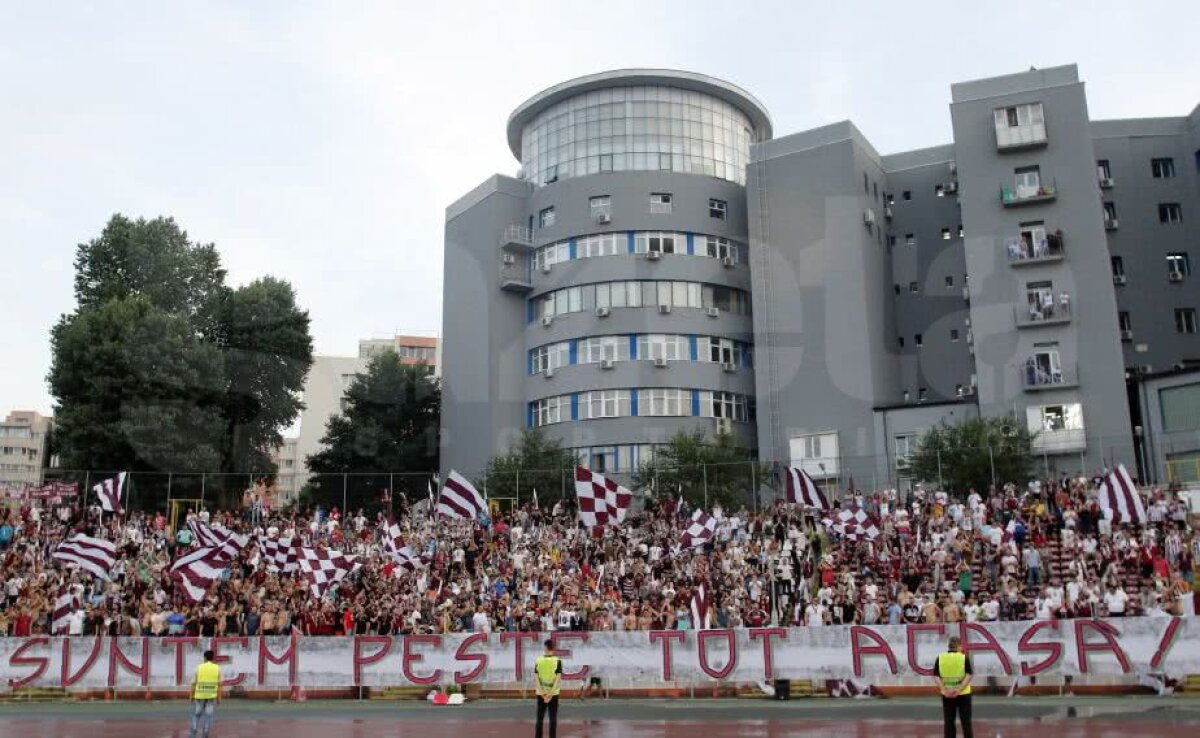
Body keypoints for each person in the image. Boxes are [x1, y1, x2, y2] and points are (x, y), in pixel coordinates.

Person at [935, 636, 973, 738]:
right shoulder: (963, 657)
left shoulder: (940, 657)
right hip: (963, 694)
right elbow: (969, 675)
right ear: (958, 646)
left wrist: (944, 689)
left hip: (947, 694)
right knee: (966, 722)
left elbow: (936, 676)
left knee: (949, 722)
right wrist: (959, 689)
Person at [534, 639, 562, 738]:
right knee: (553, 719)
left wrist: (543, 694)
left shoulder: (538, 660)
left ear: (545, 647)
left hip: (541, 694)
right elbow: (558, 679)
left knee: (539, 719)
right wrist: (550, 694)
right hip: (553, 694)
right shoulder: (557, 661)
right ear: (553, 648)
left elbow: (536, 678)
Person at [190, 650, 221, 738]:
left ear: (204, 658)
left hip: (199, 694)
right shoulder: (217, 668)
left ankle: (195, 727)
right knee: (208, 714)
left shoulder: (199, 667)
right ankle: (206, 729)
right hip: (211, 695)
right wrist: (219, 697)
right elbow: (219, 684)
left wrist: (191, 695)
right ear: (212, 658)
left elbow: (194, 682)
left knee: (196, 713)